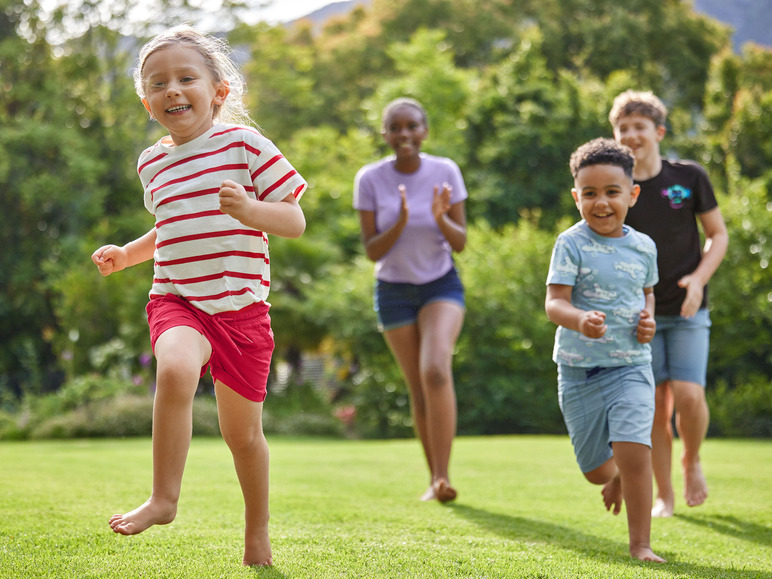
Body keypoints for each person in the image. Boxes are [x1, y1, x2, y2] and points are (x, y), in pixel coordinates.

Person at [91, 25, 307, 567]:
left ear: (219, 91)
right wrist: (128, 254)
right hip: (177, 299)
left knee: (244, 438)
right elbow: (171, 226)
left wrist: (250, 210)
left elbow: (294, 220)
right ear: (147, 102)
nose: (172, 90)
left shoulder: (245, 145)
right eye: (158, 83)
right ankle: (164, 499)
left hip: (242, 312)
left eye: (186, 78)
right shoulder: (152, 163)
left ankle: (256, 533)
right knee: (175, 370)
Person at [610, 90, 729, 518]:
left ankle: (692, 459)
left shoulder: (689, 177)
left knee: (689, 396)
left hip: (687, 309)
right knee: (654, 408)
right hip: (638, 316)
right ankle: (665, 496)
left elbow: (718, 235)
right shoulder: (617, 187)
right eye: (622, 128)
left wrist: (698, 279)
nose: (630, 135)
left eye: (639, 127)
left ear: (658, 132)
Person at [545, 138, 664, 563]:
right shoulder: (570, 243)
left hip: (630, 365)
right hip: (579, 372)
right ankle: (612, 475)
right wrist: (578, 319)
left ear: (632, 194)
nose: (601, 203)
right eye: (590, 194)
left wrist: (648, 319)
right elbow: (554, 302)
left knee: (634, 450)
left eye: (612, 192)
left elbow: (646, 295)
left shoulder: (644, 246)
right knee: (597, 471)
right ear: (577, 196)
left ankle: (641, 545)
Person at [353, 98, 467, 503]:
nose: (404, 135)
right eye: (395, 128)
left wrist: (440, 218)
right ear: (385, 134)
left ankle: (444, 475)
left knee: (436, 370)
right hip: (394, 290)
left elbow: (461, 242)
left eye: (412, 126)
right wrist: (400, 220)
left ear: (425, 130)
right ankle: (434, 478)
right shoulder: (369, 179)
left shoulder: (445, 171)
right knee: (418, 387)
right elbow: (372, 251)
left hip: (440, 284)